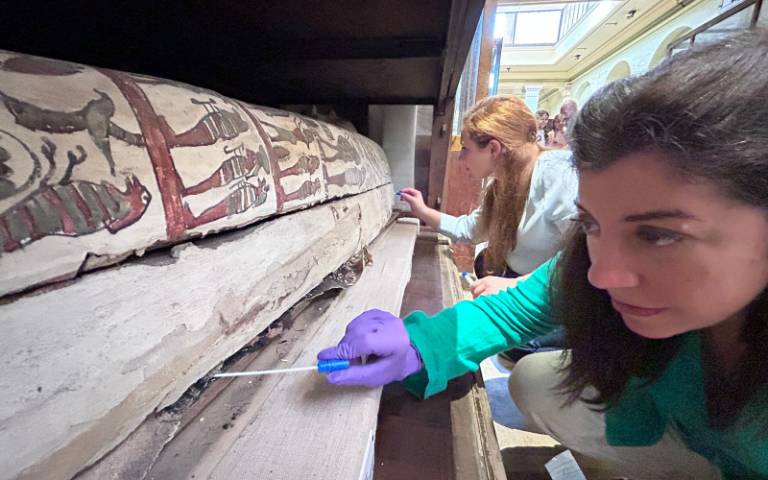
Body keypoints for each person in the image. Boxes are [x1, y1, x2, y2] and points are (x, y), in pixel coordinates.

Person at [320, 29, 768, 479]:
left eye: (659, 235)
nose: (601, 275)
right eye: (590, 224)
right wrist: (419, 346)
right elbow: (514, 311)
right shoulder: (553, 228)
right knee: (534, 381)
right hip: (690, 424)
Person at [399, 95, 577, 298]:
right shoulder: (501, 185)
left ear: (493, 148)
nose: (460, 157)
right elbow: (468, 230)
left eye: (465, 149)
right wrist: (422, 210)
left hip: (550, 297)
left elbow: (581, 254)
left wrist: (516, 284)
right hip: (523, 289)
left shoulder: (555, 172)